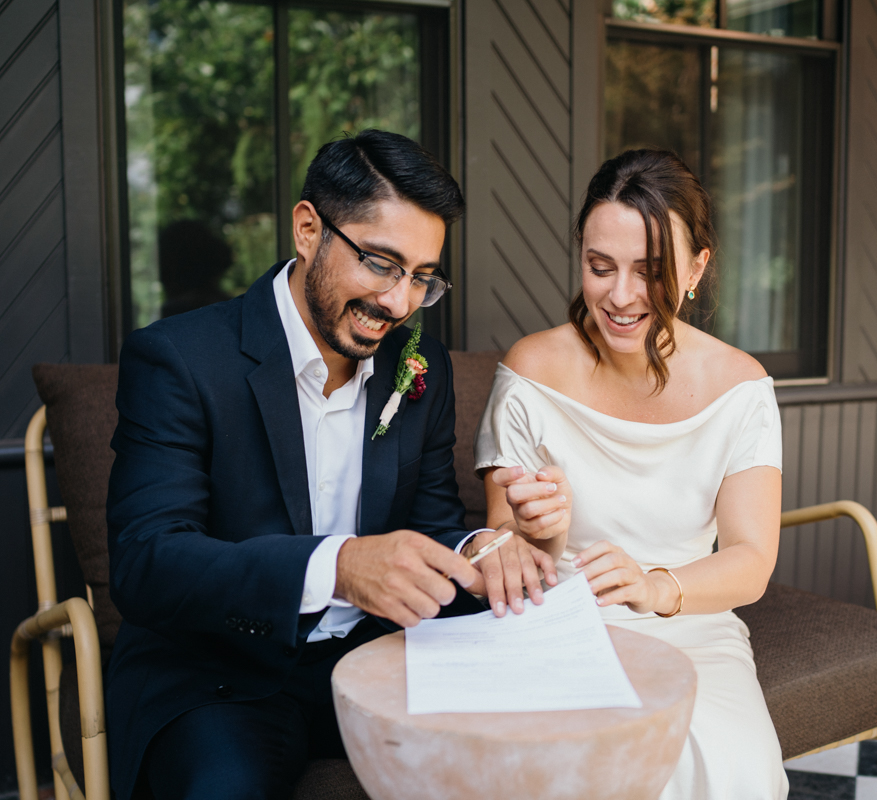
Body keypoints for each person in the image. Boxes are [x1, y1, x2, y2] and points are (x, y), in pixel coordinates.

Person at [106, 130, 561, 800]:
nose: (399, 303)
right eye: (381, 263)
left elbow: (434, 525)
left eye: (422, 278)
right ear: (308, 228)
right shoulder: (178, 359)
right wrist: (340, 567)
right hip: (222, 676)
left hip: (383, 663)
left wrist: (484, 547)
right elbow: (147, 562)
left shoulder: (419, 366)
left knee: (524, 764)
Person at [475, 149, 789, 799]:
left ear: (697, 268)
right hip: (558, 625)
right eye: (600, 267)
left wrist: (653, 586)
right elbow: (503, 545)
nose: (620, 297)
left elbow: (752, 559)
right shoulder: (532, 370)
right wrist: (536, 535)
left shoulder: (742, 387)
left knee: (729, 768)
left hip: (692, 625)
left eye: (650, 272)